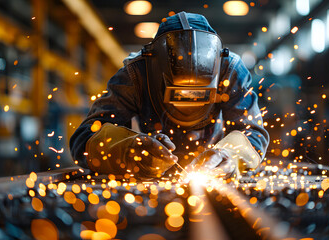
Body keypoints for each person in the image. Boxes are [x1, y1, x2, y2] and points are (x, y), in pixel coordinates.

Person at [69, 12, 269, 179]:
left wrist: (229, 156)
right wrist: (130, 152)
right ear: (154, 67)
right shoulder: (136, 74)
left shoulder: (231, 70)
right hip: (149, 171)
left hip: (212, 171)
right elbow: (84, 140)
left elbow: (254, 134)